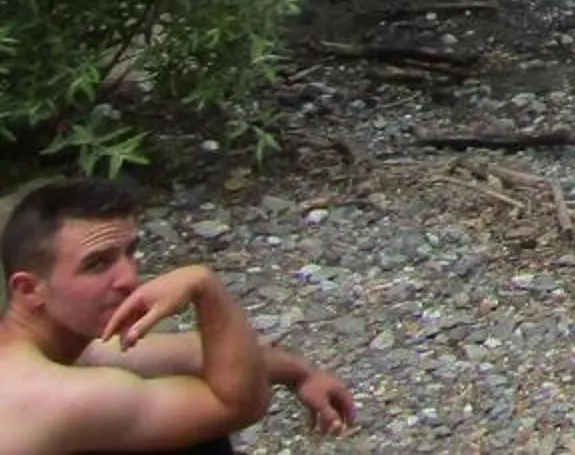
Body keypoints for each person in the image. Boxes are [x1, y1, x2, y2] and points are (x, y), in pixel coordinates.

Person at [0, 179, 354, 451]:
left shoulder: (45, 350)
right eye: (97, 264)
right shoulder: (60, 397)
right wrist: (205, 288)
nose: (128, 279)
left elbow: (190, 353)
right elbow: (236, 406)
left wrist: (301, 372)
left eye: (130, 253)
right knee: (194, 441)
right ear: (29, 289)